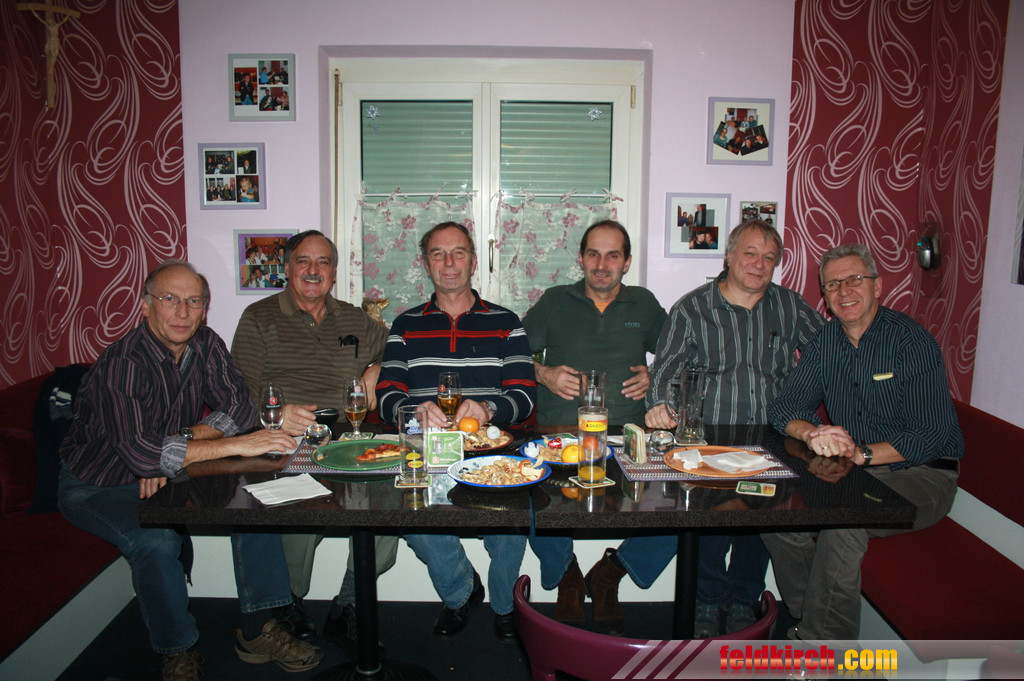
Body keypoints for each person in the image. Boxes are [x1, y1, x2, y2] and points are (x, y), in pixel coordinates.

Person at [58, 260, 324, 681]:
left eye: (194, 301)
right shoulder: (123, 364)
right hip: (98, 484)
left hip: (170, 470)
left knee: (254, 500)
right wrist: (232, 444)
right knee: (156, 539)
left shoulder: (205, 343)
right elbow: (141, 455)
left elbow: (238, 406)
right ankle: (176, 650)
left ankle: (259, 630)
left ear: (204, 309)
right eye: (170, 299)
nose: (182, 312)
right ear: (146, 306)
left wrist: (177, 444)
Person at [584, 219, 823, 637]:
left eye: (769, 258)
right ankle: (707, 601)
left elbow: (828, 353)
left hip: (771, 438)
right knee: (708, 523)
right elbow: (666, 370)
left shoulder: (790, 306)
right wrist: (660, 404)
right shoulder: (693, 308)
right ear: (729, 256)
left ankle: (745, 599)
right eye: (750, 253)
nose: (758, 264)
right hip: (708, 440)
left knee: (760, 524)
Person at [762, 243, 963, 640]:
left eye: (855, 279)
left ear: (878, 286)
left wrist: (862, 454)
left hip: (923, 475)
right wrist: (812, 432)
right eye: (833, 284)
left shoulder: (910, 341)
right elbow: (784, 408)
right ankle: (807, 620)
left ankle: (825, 651)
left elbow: (932, 434)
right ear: (825, 296)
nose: (844, 291)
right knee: (776, 508)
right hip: (854, 471)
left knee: (844, 522)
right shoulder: (826, 342)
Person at [376, 221, 537, 641]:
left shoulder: (506, 322)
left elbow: (524, 395)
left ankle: (506, 606)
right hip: (428, 454)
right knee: (410, 516)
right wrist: (414, 412)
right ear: (426, 263)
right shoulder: (405, 325)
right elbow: (387, 396)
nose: (449, 263)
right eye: (438, 254)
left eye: (458, 253)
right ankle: (461, 592)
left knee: (511, 516)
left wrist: (488, 408)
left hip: (491, 452)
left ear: (474, 261)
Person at [231, 230, 390, 653]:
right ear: (287, 268)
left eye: (323, 262)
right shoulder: (259, 318)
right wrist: (275, 413)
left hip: (347, 439)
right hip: (283, 441)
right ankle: (288, 602)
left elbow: (397, 348)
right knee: (297, 517)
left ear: (334, 272)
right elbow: (236, 394)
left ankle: (349, 603)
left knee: (391, 510)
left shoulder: (354, 319)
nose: (313, 270)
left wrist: (376, 370)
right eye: (303, 261)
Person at [522, 219, 666, 626]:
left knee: (684, 509)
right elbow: (510, 355)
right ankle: (567, 576)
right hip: (560, 437)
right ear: (581, 258)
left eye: (612, 255)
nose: (602, 265)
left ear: (627, 262)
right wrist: (544, 373)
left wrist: (656, 375)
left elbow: (681, 354)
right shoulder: (554, 301)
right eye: (593, 254)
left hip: (628, 439)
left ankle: (611, 572)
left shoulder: (644, 303)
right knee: (529, 499)